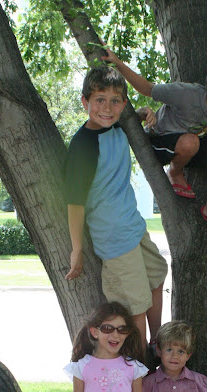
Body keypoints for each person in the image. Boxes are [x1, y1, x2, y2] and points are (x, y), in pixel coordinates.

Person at [102, 46, 207, 239]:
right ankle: (175, 172)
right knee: (191, 141)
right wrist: (118, 63)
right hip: (159, 142)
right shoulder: (188, 93)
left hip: (188, 148)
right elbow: (147, 89)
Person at [63, 65, 168, 354]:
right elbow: (75, 203)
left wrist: (141, 114)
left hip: (132, 225)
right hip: (113, 236)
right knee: (135, 305)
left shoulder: (117, 125)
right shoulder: (83, 147)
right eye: (99, 100)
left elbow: (124, 118)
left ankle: (156, 343)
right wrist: (77, 249)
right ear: (85, 102)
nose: (107, 108)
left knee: (158, 274)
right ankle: (142, 365)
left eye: (115, 101)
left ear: (123, 104)